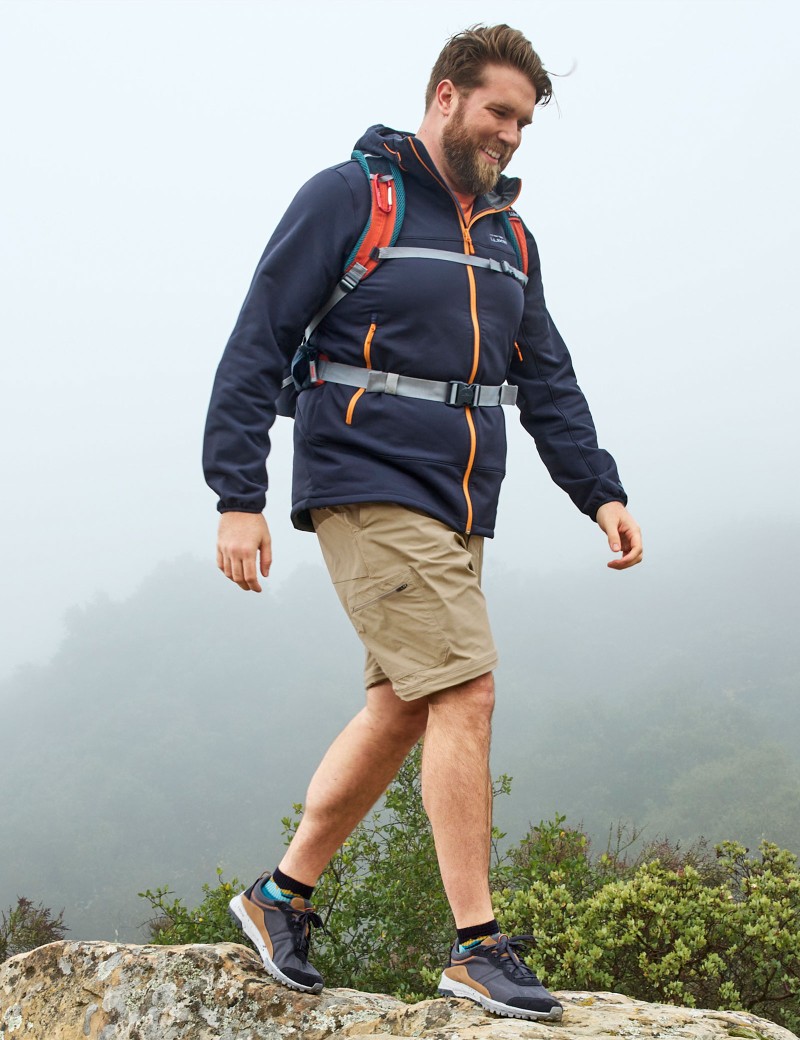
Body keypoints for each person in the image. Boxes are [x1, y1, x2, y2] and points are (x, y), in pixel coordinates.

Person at [203, 23, 642, 1024]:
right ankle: (477, 946)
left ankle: (279, 896)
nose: (510, 135)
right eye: (498, 111)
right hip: (364, 476)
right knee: (466, 687)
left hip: (459, 498)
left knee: (406, 703)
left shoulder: (508, 237)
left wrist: (599, 491)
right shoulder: (350, 197)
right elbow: (257, 339)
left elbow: (547, 378)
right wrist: (237, 494)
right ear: (445, 95)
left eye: (524, 122)